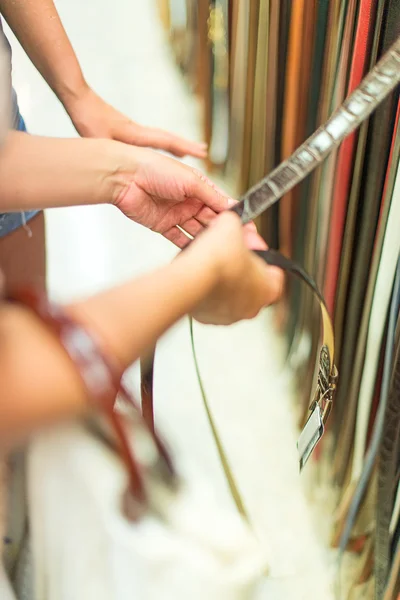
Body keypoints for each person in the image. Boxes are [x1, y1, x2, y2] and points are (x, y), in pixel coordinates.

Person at [0, 0, 209, 289]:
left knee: (32, 318)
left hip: (13, 140)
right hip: (15, 169)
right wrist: (122, 174)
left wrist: (78, 94)